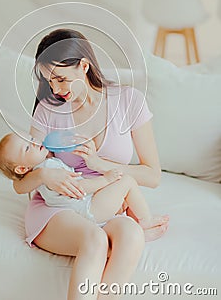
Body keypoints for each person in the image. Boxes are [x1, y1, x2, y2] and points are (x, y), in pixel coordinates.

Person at [12, 28, 169, 300]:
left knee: (132, 233)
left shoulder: (129, 100)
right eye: (50, 81)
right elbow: (21, 179)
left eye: (61, 79)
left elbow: (153, 175)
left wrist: (99, 163)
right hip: (57, 208)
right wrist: (44, 177)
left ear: (84, 66)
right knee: (94, 239)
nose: (56, 89)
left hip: (104, 203)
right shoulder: (48, 109)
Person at [0, 132, 168, 232]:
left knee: (120, 194)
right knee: (127, 181)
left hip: (81, 211)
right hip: (88, 210)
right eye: (27, 147)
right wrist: (106, 179)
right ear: (22, 169)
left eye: (30, 139)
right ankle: (145, 220)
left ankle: (133, 221)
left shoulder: (40, 172)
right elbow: (81, 187)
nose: (34, 142)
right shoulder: (49, 166)